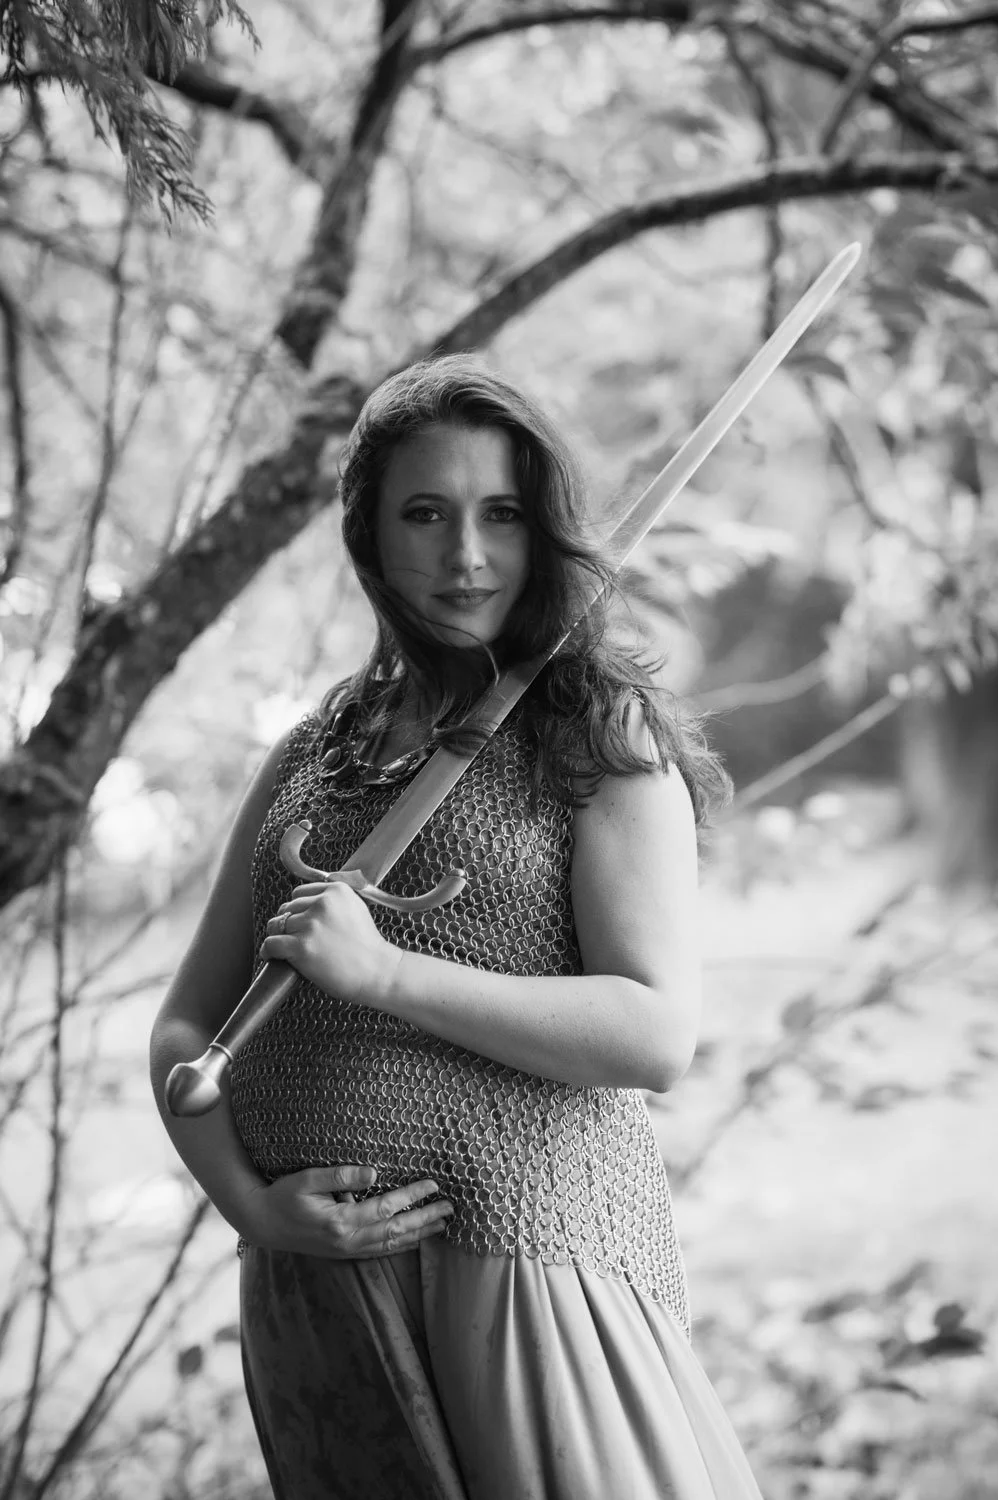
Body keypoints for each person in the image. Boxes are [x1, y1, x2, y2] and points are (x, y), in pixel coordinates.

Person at [150, 355, 765, 1500]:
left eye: (502, 516)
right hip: (312, 1287)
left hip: (521, 1279)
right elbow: (188, 1023)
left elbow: (651, 1034)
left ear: (547, 533)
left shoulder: (598, 740)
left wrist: (384, 974)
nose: (466, 556)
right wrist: (252, 1207)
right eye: (425, 514)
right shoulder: (315, 752)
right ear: (370, 533)